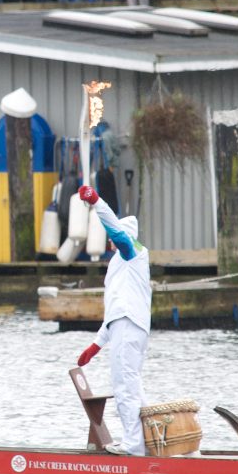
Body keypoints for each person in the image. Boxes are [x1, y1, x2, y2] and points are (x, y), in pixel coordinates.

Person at [76, 185, 151, 456]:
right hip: (127, 325)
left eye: (114, 236)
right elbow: (114, 312)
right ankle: (148, 441)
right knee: (132, 385)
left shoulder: (132, 252)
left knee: (124, 386)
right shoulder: (120, 264)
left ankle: (133, 448)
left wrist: (96, 201)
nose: (110, 240)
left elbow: (116, 231)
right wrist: (95, 346)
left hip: (130, 327)